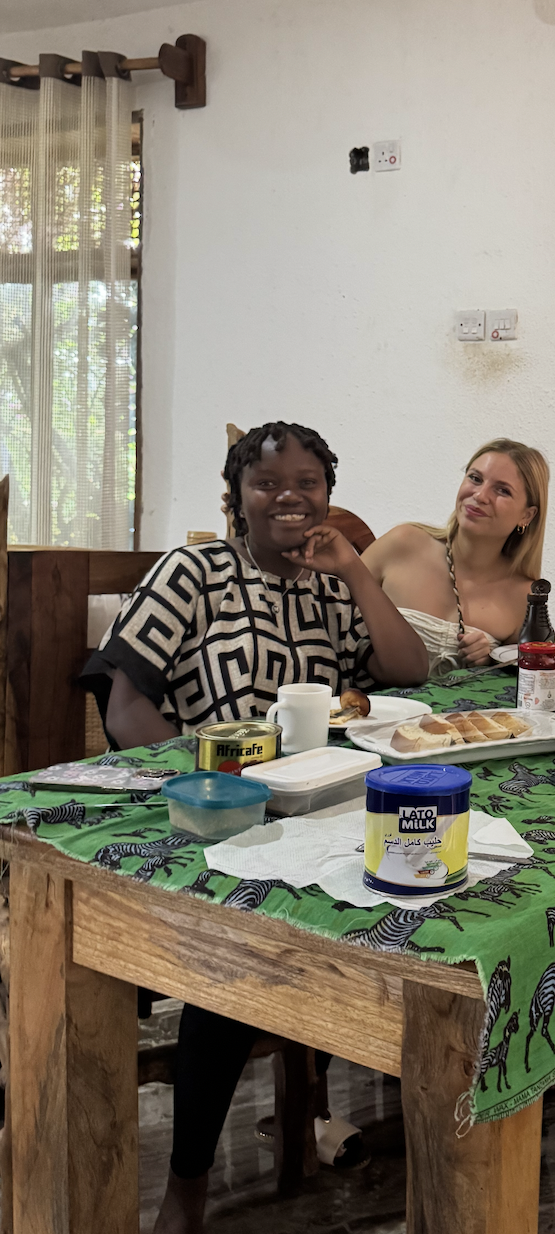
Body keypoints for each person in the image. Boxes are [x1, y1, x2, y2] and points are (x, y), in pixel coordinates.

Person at [84, 421, 429, 1234]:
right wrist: (202, 789)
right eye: (268, 483)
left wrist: (354, 571)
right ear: (237, 493)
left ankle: (334, 1099)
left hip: (311, 811)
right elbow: (121, 696)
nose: (288, 497)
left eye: (307, 482)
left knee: (408, 889)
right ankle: (188, 1189)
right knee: (239, 957)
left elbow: (408, 669)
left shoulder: (325, 583)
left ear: (327, 496)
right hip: (207, 813)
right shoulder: (196, 571)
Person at [361, 437, 550, 675]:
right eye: (475, 478)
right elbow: (332, 617)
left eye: (502, 490)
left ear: (527, 515)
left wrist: (489, 662)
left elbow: (518, 687)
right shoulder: (403, 543)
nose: (480, 495)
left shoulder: (525, 597)